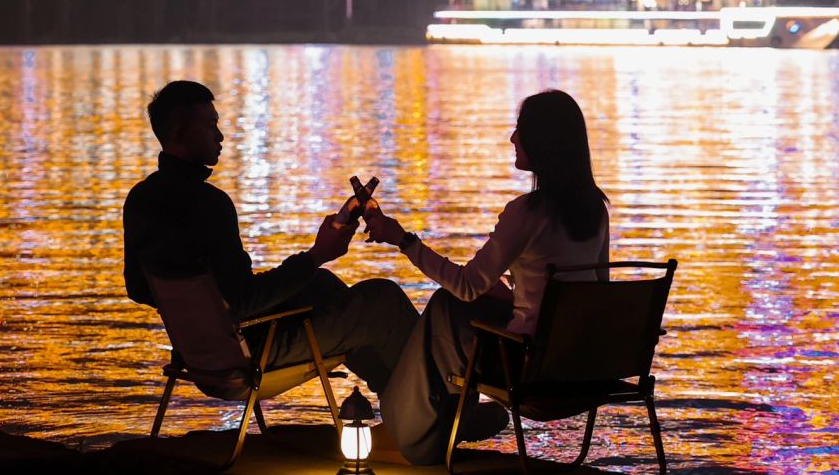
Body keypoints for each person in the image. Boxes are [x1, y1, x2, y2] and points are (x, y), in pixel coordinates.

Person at [123, 79, 417, 395]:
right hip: (247, 357)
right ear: (179, 131)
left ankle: (401, 399)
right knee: (383, 300)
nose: (220, 136)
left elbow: (139, 288)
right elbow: (243, 302)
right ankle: (437, 403)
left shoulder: (140, 198)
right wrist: (319, 253)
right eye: (210, 125)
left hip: (199, 355)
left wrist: (196, 318)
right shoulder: (209, 205)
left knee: (321, 285)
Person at [366, 88, 610, 465]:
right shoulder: (596, 209)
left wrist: (402, 239)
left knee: (446, 306)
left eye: (520, 130)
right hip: (578, 367)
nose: (513, 138)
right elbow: (592, 295)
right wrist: (519, 298)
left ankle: (418, 430)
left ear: (543, 143)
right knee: (464, 308)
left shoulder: (527, 213)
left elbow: (466, 285)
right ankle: (439, 416)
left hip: (528, 371)